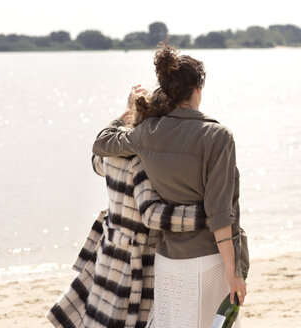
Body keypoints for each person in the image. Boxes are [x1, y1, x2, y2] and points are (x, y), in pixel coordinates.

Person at [92, 40, 249, 328]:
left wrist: (126, 113)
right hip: (209, 259)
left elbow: (101, 143)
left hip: (167, 261)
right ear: (198, 88)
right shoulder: (217, 136)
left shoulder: (147, 132)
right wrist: (233, 271)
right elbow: (219, 212)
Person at [46, 87, 212, 328]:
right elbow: (152, 215)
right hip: (137, 260)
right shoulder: (143, 160)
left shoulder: (111, 152)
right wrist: (207, 215)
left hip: (110, 248)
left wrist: (121, 116)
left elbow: (96, 162)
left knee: (99, 316)